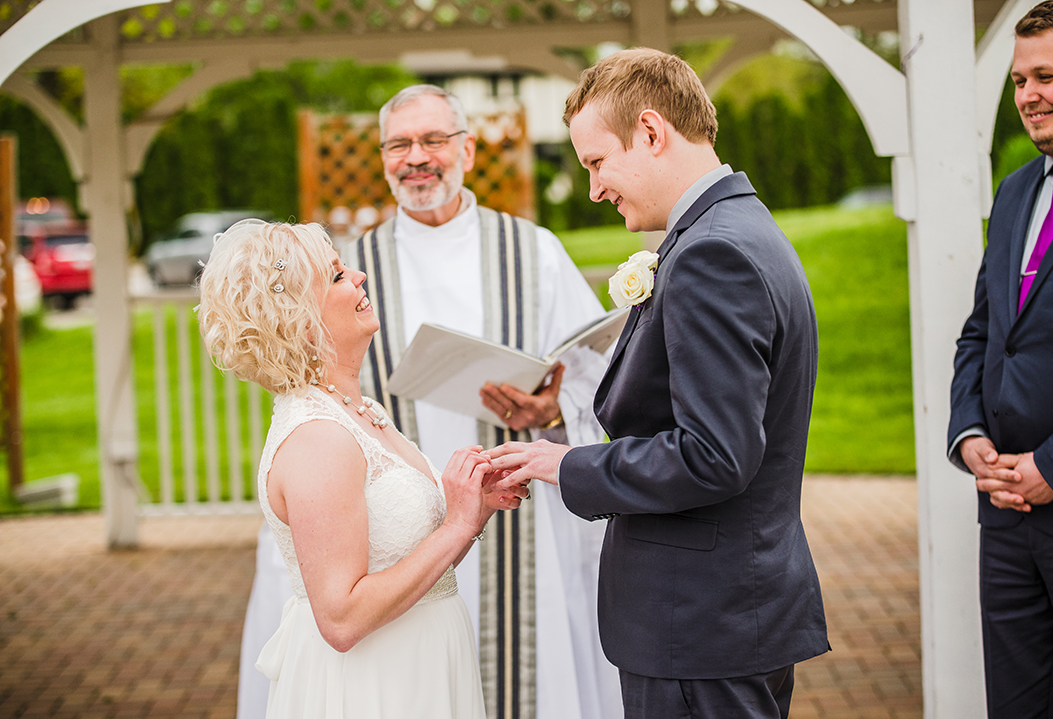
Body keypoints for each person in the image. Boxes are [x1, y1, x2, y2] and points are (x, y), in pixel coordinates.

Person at [237, 85, 621, 719]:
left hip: (513, 515)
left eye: (433, 141)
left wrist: (548, 409)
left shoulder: (534, 252)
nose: (417, 158)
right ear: (384, 159)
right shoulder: (347, 272)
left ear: (467, 149)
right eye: (399, 144)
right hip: (380, 523)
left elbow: (595, 375)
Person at [487, 48, 829, 719]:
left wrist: (569, 464)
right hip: (720, 615)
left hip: (702, 624)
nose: (594, 189)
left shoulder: (712, 254)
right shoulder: (732, 232)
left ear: (650, 131)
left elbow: (715, 455)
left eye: (595, 162)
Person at [199, 219, 525, 718]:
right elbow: (343, 620)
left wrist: (471, 511)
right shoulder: (317, 439)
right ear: (300, 320)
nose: (359, 277)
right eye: (335, 277)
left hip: (423, 662)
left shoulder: (360, 411)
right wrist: (457, 526)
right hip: (375, 686)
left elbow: (411, 569)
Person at [947, 2, 1053, 716]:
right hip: (1004, 516)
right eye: (1018, 79)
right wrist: (969, 437)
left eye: (1046, 75)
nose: (1028, 94)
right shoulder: (1016, 190)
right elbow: (983, 332)